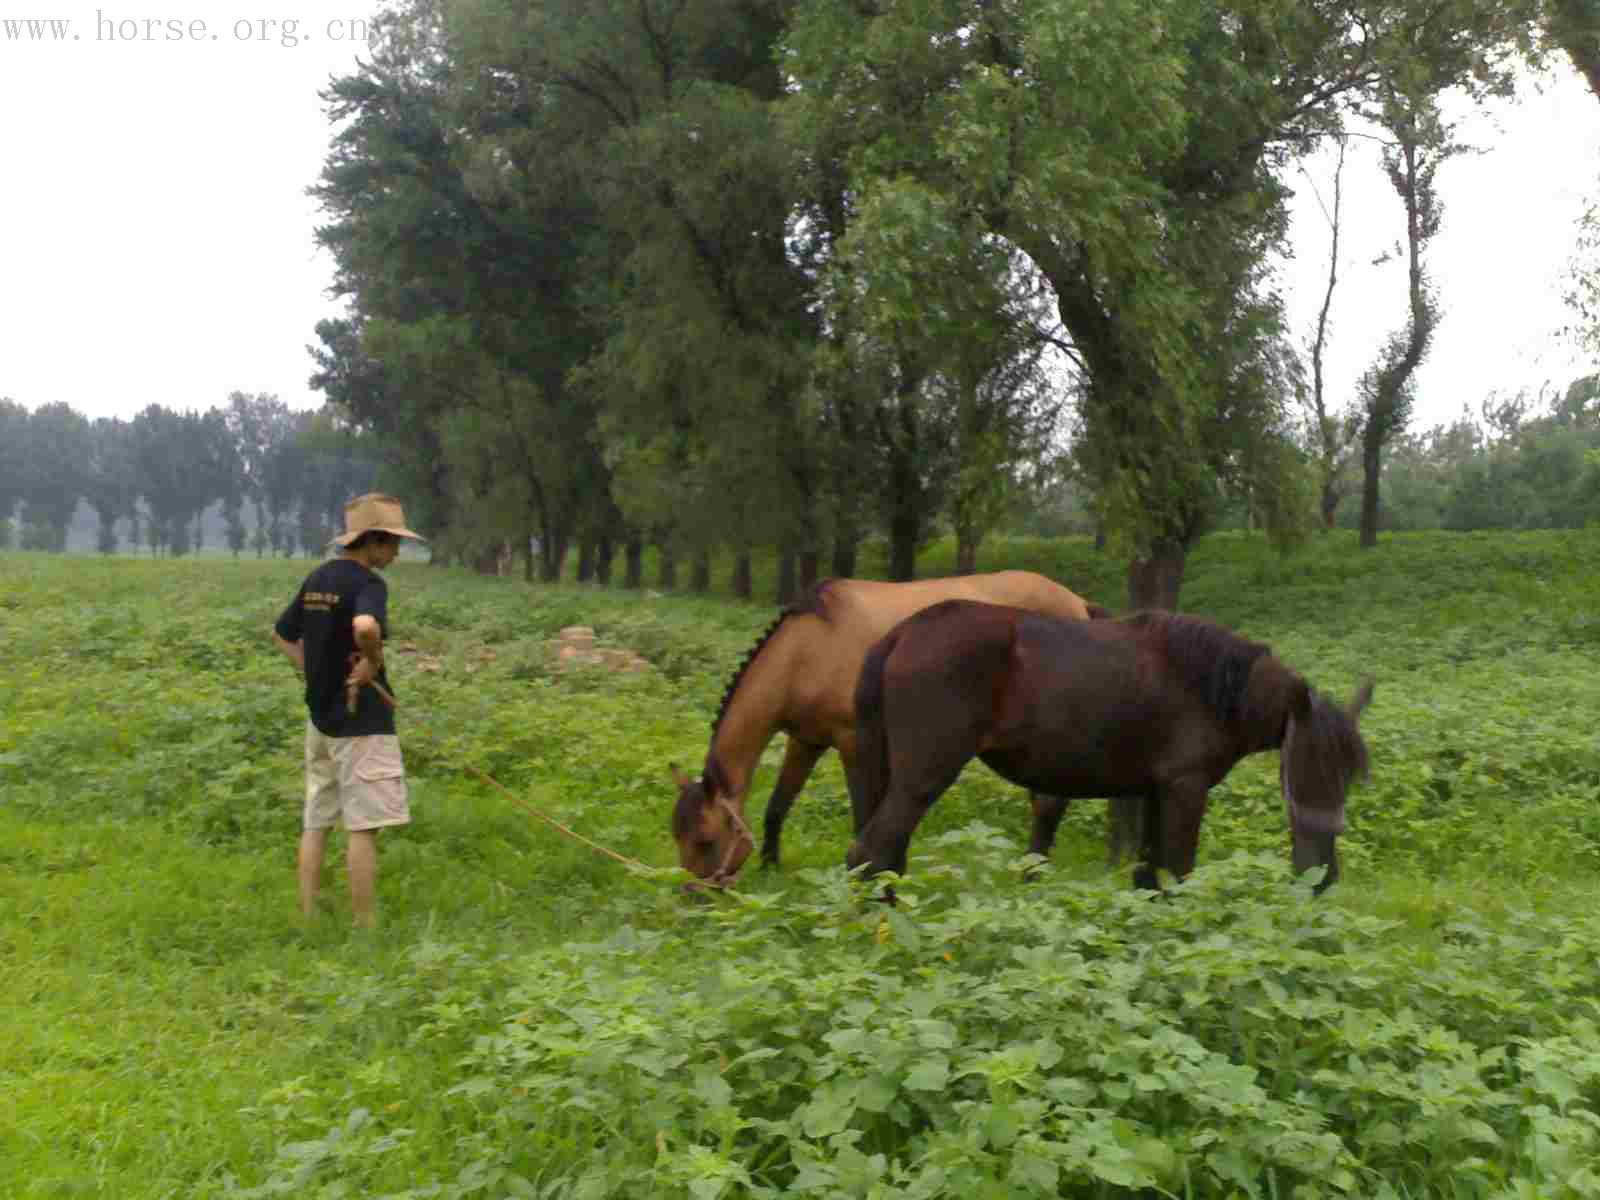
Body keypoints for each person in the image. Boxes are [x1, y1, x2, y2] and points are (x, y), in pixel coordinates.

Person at [270, 493, 424, 928]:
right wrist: (371, 662)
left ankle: (309, 914)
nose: (396, 552)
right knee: (363, 826)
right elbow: (365, 626)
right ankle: (366, 926)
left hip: (319, 722)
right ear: (372, 541)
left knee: (317, 820)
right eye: (392, 543)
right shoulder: (368, 585)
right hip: (360, 724)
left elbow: (283, 634)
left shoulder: (318, 577)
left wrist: (313, 672)